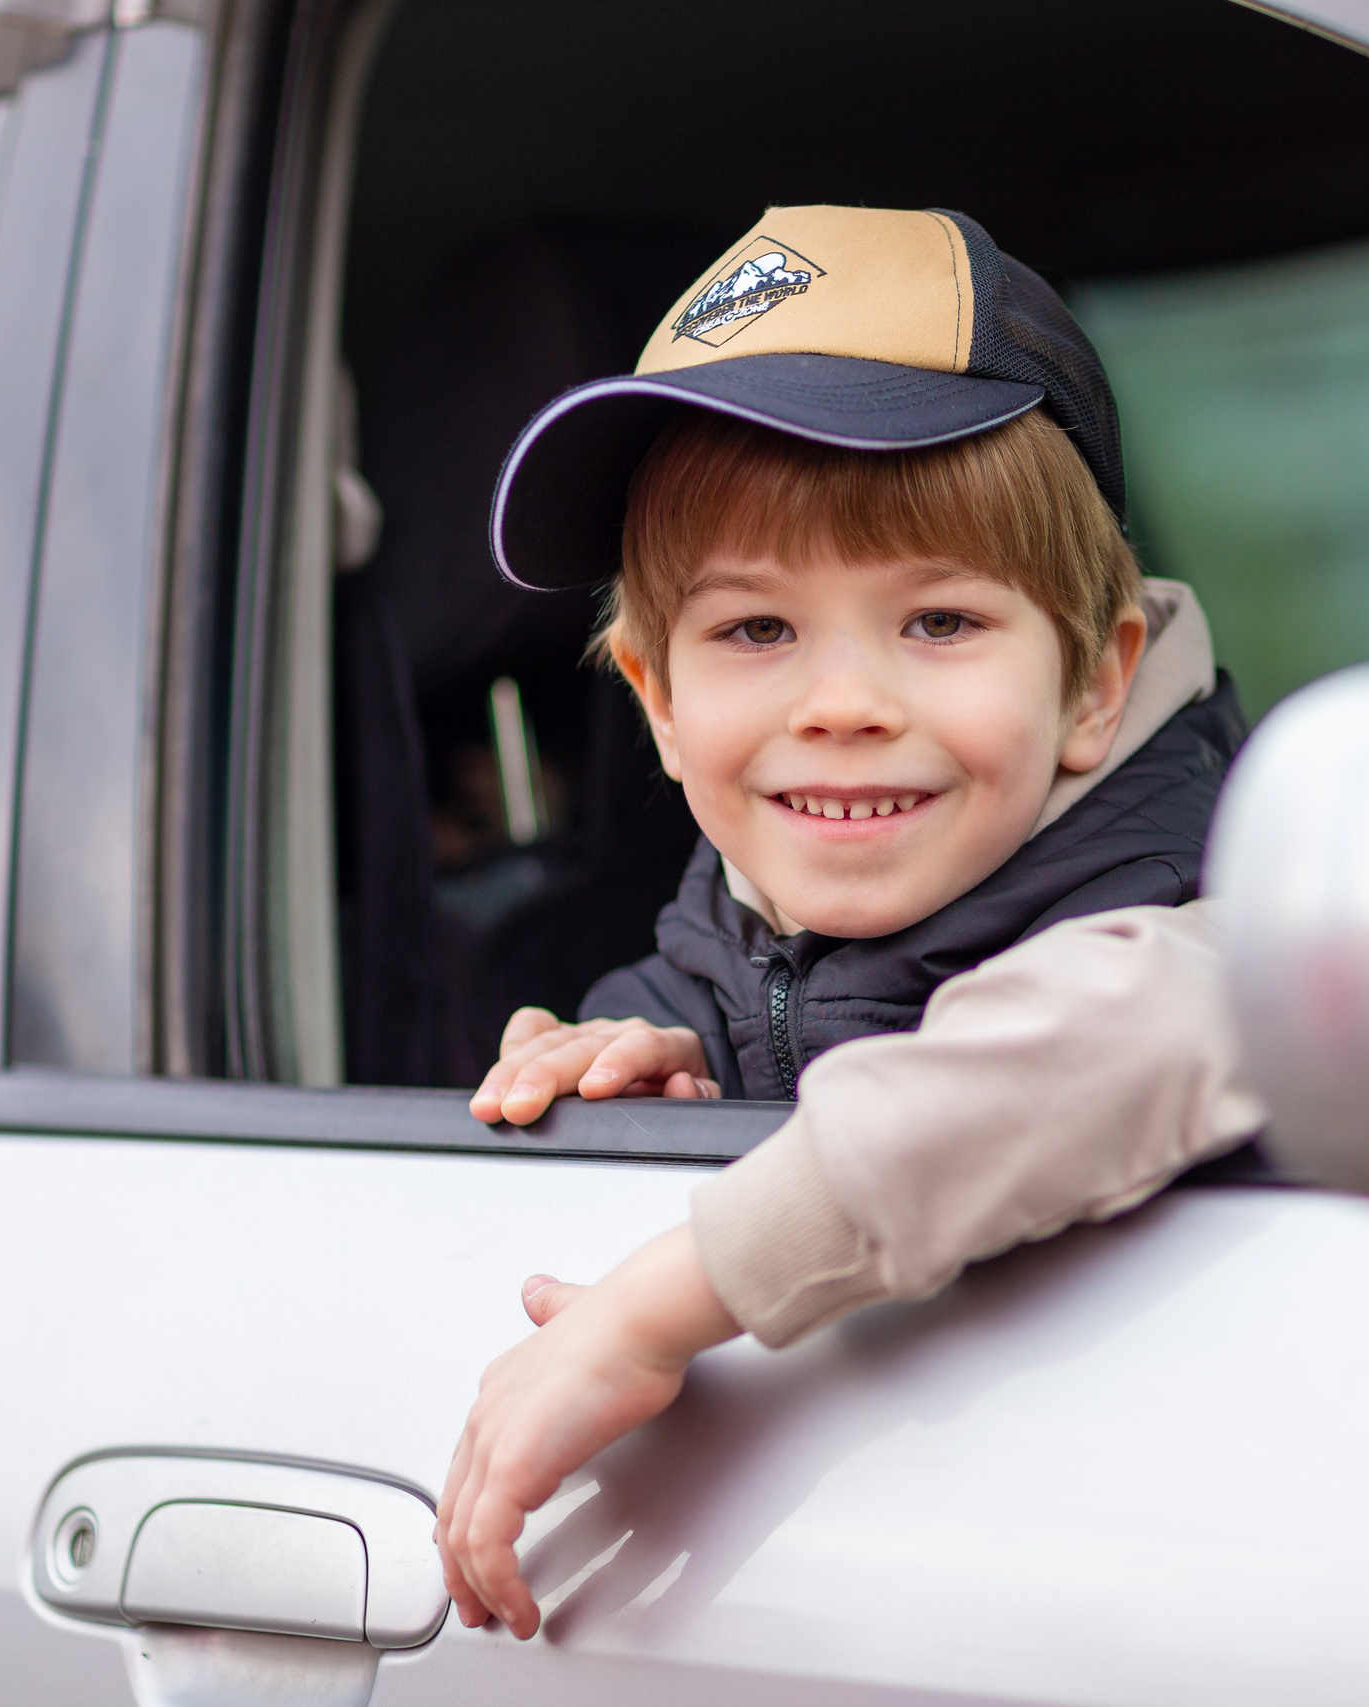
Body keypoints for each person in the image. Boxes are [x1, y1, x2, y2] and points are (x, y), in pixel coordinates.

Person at [434, 205, 1265, 1637]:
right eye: (755, 629)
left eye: (939, 622)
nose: (844, 704)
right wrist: (657, 1073)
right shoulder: (716, 941)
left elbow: (1092, 1047)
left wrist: (663, 1303)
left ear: (1095, 681)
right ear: (659, 702)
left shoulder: (1223, 918)